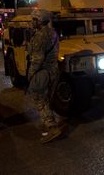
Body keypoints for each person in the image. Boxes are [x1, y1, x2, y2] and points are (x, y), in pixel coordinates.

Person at [26, 9, 63, 144]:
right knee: (47, 98)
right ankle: (49, 121)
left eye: (33, 20)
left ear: (39, 21)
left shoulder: (40, 35)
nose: (31, 22)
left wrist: (30, 75)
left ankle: (52, 127)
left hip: (43, 72)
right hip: (53, 71)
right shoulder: (52, 32)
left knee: (40, 99)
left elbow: (37, 59)